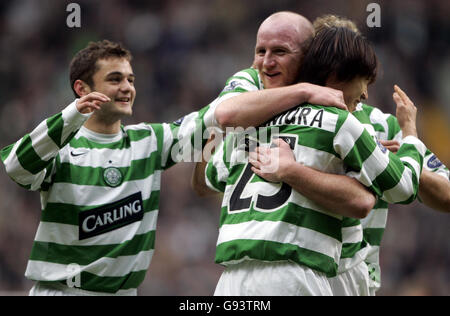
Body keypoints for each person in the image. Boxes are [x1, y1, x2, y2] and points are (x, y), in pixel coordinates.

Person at [203, 26, 426, 296]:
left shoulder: (250, 125)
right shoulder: (342, 123)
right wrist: (411, 135)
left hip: (231, 282)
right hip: (296, 275)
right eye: (363, 80)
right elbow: (402, 187)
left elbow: (210, 175)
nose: (366, 94)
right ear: (336, 74)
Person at [0, 40, 219, 296]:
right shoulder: (62, 148)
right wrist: (71, 115)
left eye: (131, 80)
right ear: (82, 89)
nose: (127, 88)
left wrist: (250, 79)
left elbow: (211, 119)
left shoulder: (149, 142)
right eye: (115, 79)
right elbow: (16, 167)